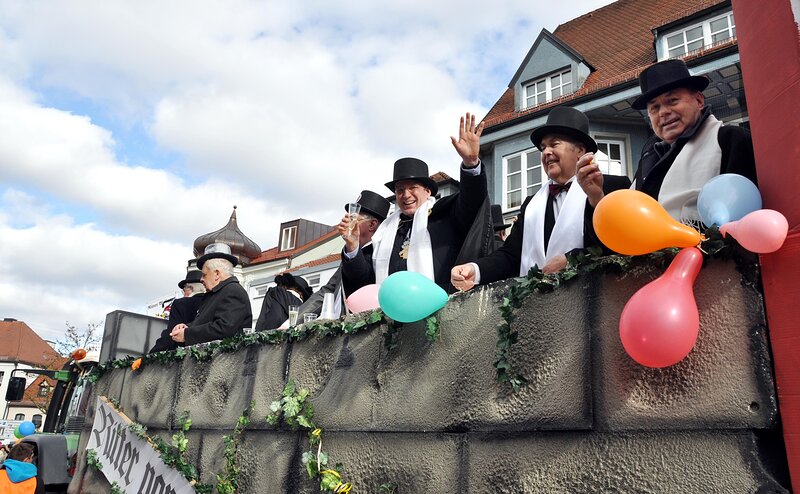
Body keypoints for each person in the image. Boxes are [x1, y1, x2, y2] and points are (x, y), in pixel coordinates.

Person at [451, 106, 631, 290]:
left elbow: (620, 242)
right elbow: (511, 256)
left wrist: (571, 260)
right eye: (543, 147)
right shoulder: (531, 204)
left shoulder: (614, 187)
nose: (546, 152)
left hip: (599, 300)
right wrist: (475, 269)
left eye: (554, 144)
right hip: (540, 309)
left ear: (580, 150)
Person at [577, 58, 757, 226]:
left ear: (699, 100)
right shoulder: (648, 158)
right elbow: (628, 226)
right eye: (655, 108)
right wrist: (597, 196)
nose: (663, 112)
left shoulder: (730, 139)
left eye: (672, 101)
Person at [339, 113, 492, 293]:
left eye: (412, 188)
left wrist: (471, 163)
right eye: (400, 190)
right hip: (391, 314)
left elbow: (473, 201)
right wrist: (353, 245)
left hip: (439, 310)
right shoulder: (384, 232)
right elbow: (363, 284)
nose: (406, 195)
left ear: (427, 191)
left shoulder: (445, 215)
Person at [297, 190, 391, 321]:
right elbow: (327, 292)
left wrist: (353, 246)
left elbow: (360, 280)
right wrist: (292, 321)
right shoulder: (349, 254)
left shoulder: (378, 254)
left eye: (354, 218)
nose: (347, 222)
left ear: (372, 224)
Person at [170, 243, 252, 345]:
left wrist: (187, 334)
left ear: (217, 274)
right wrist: (187, 327)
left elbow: (224, 328)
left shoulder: (233, 291)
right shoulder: (215, 294)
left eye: (204, 275)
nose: (201, 279)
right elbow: (206, 322)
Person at [149, 270, 206, 353]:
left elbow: (171, 334)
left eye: (184, 290)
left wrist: (152, 353)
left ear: (190, 289)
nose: (183, 294)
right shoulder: (213, 302)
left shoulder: (181, 303)